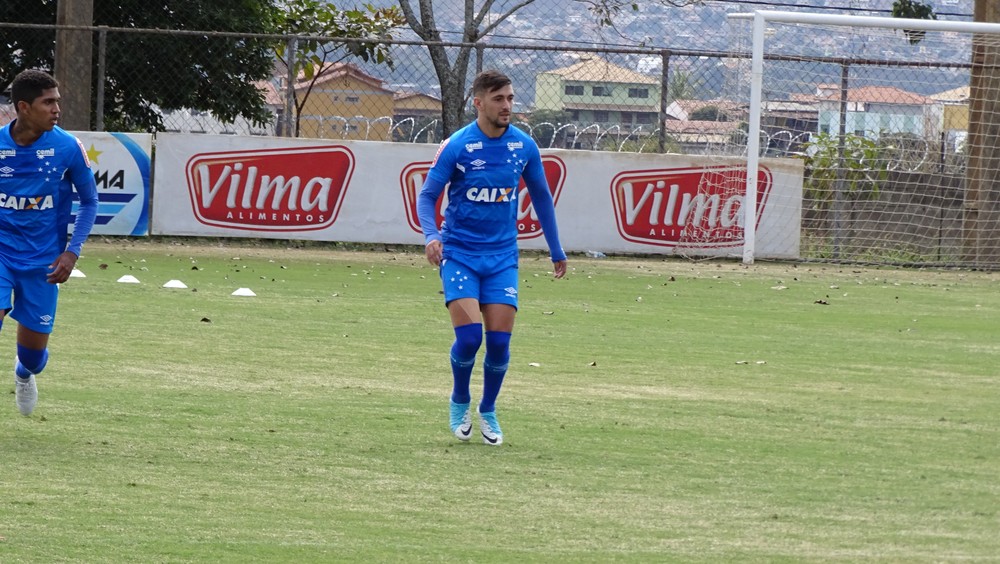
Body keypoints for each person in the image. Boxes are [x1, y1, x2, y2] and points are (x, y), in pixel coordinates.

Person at [417, 70, 567, 446]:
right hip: (460, 255)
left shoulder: (524, 146)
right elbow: (427, 196)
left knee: (499, 344)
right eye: (499, 99)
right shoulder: (457, 145)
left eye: (511, 98)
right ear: (478, 102)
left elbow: (542, 197)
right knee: (470, 339)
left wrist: (556, 249)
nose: (507, 106)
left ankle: (488, 409)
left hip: (502, 259)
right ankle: (459, 400)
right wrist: (431, 236)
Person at [1, 69, 98, 416]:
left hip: (44, 261)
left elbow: (90, 201)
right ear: (24, 107)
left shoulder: (67, 147)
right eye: (48, 102)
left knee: (33, 357)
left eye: (57, 101)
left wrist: (72, 252)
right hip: (1, 253)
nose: (57, 109)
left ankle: (24, 372)